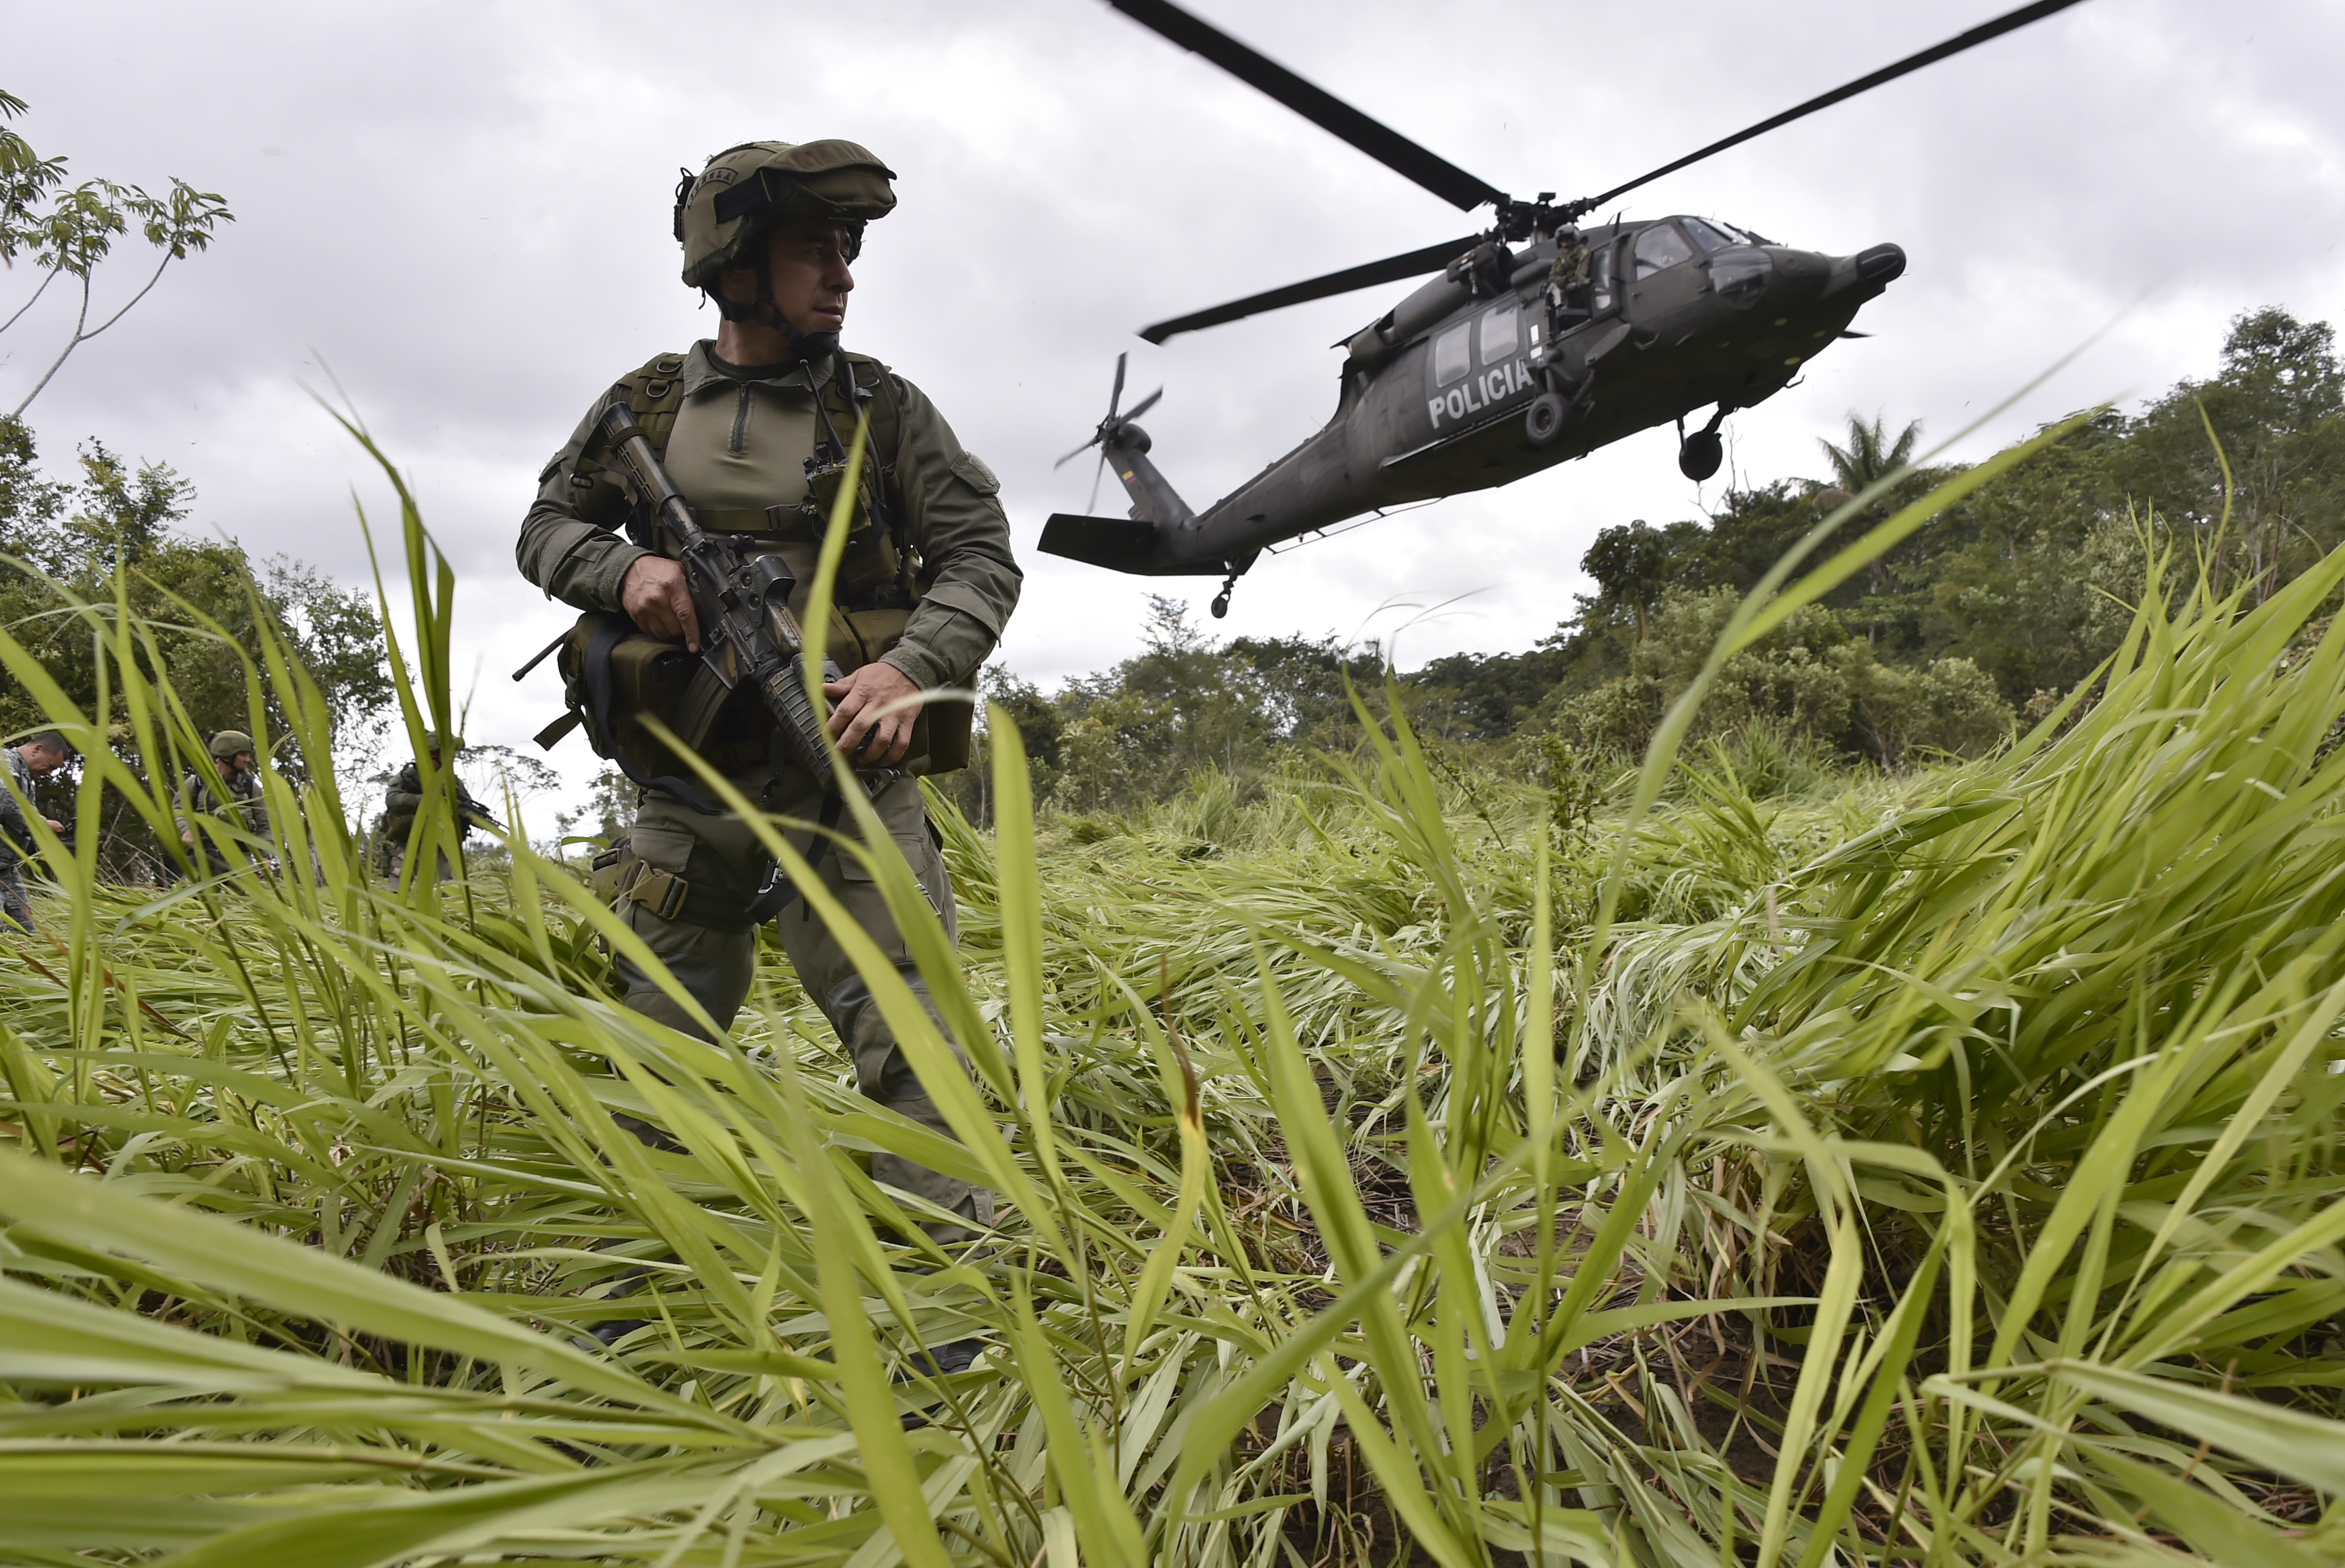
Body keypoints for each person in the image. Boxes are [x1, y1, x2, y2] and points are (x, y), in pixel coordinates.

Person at [517, 139, 1021, 1262]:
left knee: (912, 1044)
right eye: (814, 249)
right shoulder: (644, 406)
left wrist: (910, 665)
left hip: (849, 777)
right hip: (685, 790)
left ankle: (956, 1306)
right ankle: (635, 1298)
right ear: (737, 261)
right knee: (656, 1049)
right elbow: (545, 528)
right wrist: (624, 572)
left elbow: (982, 555)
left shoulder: (883, 411)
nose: (843, 273)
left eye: (849, 251)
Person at [375, 732, 497, 880]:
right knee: (398, 885)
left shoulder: (452, 782)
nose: (452, 759)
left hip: (440, 843)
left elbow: (465, 806)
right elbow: (392, 799)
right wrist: (426, 800)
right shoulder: (408, 776)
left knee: (449, 889)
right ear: (432, 754)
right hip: (408, 838)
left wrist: (474, 819)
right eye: (447, 754)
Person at [0, 729, 73, 932]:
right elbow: (6, 803)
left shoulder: (25, 777)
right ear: (38, 750)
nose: (49, 773)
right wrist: (43, 824)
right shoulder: (4, 761)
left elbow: (26, 812)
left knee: (26, 929)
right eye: (50, 766)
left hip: (6, 866)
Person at [179, 730, 271, 874]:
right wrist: (186, 830)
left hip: (240, 859)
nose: (247, 760)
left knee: (248, 895)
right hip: (203, 857)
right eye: (243, 755)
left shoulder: (250, 787)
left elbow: (263, 824)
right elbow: (177, 811)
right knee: (199, 896)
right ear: (227, 756)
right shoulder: (196, 784)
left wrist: (265, 857)